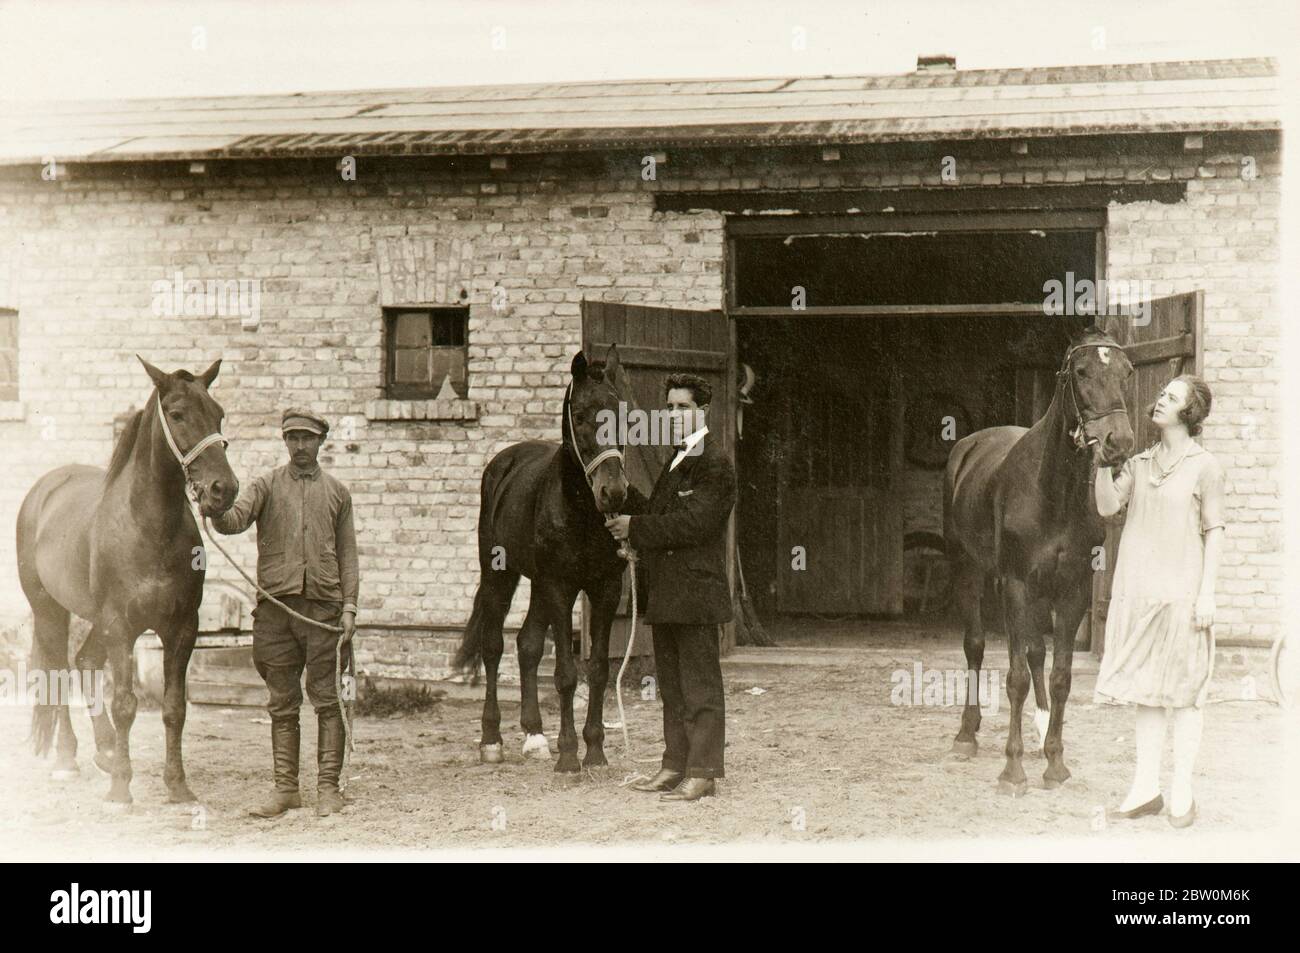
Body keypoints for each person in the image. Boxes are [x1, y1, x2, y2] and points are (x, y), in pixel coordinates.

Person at [213, 407, 359, 818]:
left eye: (307, 438)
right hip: (275, 612)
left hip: (324, 613)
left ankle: (328, 788)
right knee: (282, 702)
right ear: (285, 441)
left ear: (320, 442)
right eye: (292, 438)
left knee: (327, 700)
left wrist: (349, 607)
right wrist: (214, 504)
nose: (300, 446)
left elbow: (348, 556)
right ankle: (285, 790)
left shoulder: (337, 493)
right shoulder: (266, 486)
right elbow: (234, 520)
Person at [1094, 375, 1225, 829]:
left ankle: (1182, 792)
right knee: (1147, 696)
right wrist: (1099, 463)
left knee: (1186, 696)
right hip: (1140, 596)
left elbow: (1215, 532)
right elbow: (1108, 507)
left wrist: (1207, 593)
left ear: (1189, 413)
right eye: (1161, 394)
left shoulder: (1205, 467)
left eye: (1170, 397)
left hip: (1184, 598)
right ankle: (1146, 789)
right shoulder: (1141, 463)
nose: (1159, 400)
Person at [605, 373, 736, 802]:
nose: (674, 415)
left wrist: (636, 527)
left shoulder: (714, 462)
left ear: (703, 412)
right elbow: (662, 514)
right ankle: (674, 765)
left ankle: (704, 772)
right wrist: (626, 499)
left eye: (683, 408)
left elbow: (696, 523)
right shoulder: (676, 460)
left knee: (700, 686)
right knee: (673, 688)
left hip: (696, 595)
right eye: (670, 408)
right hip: (667, 595)